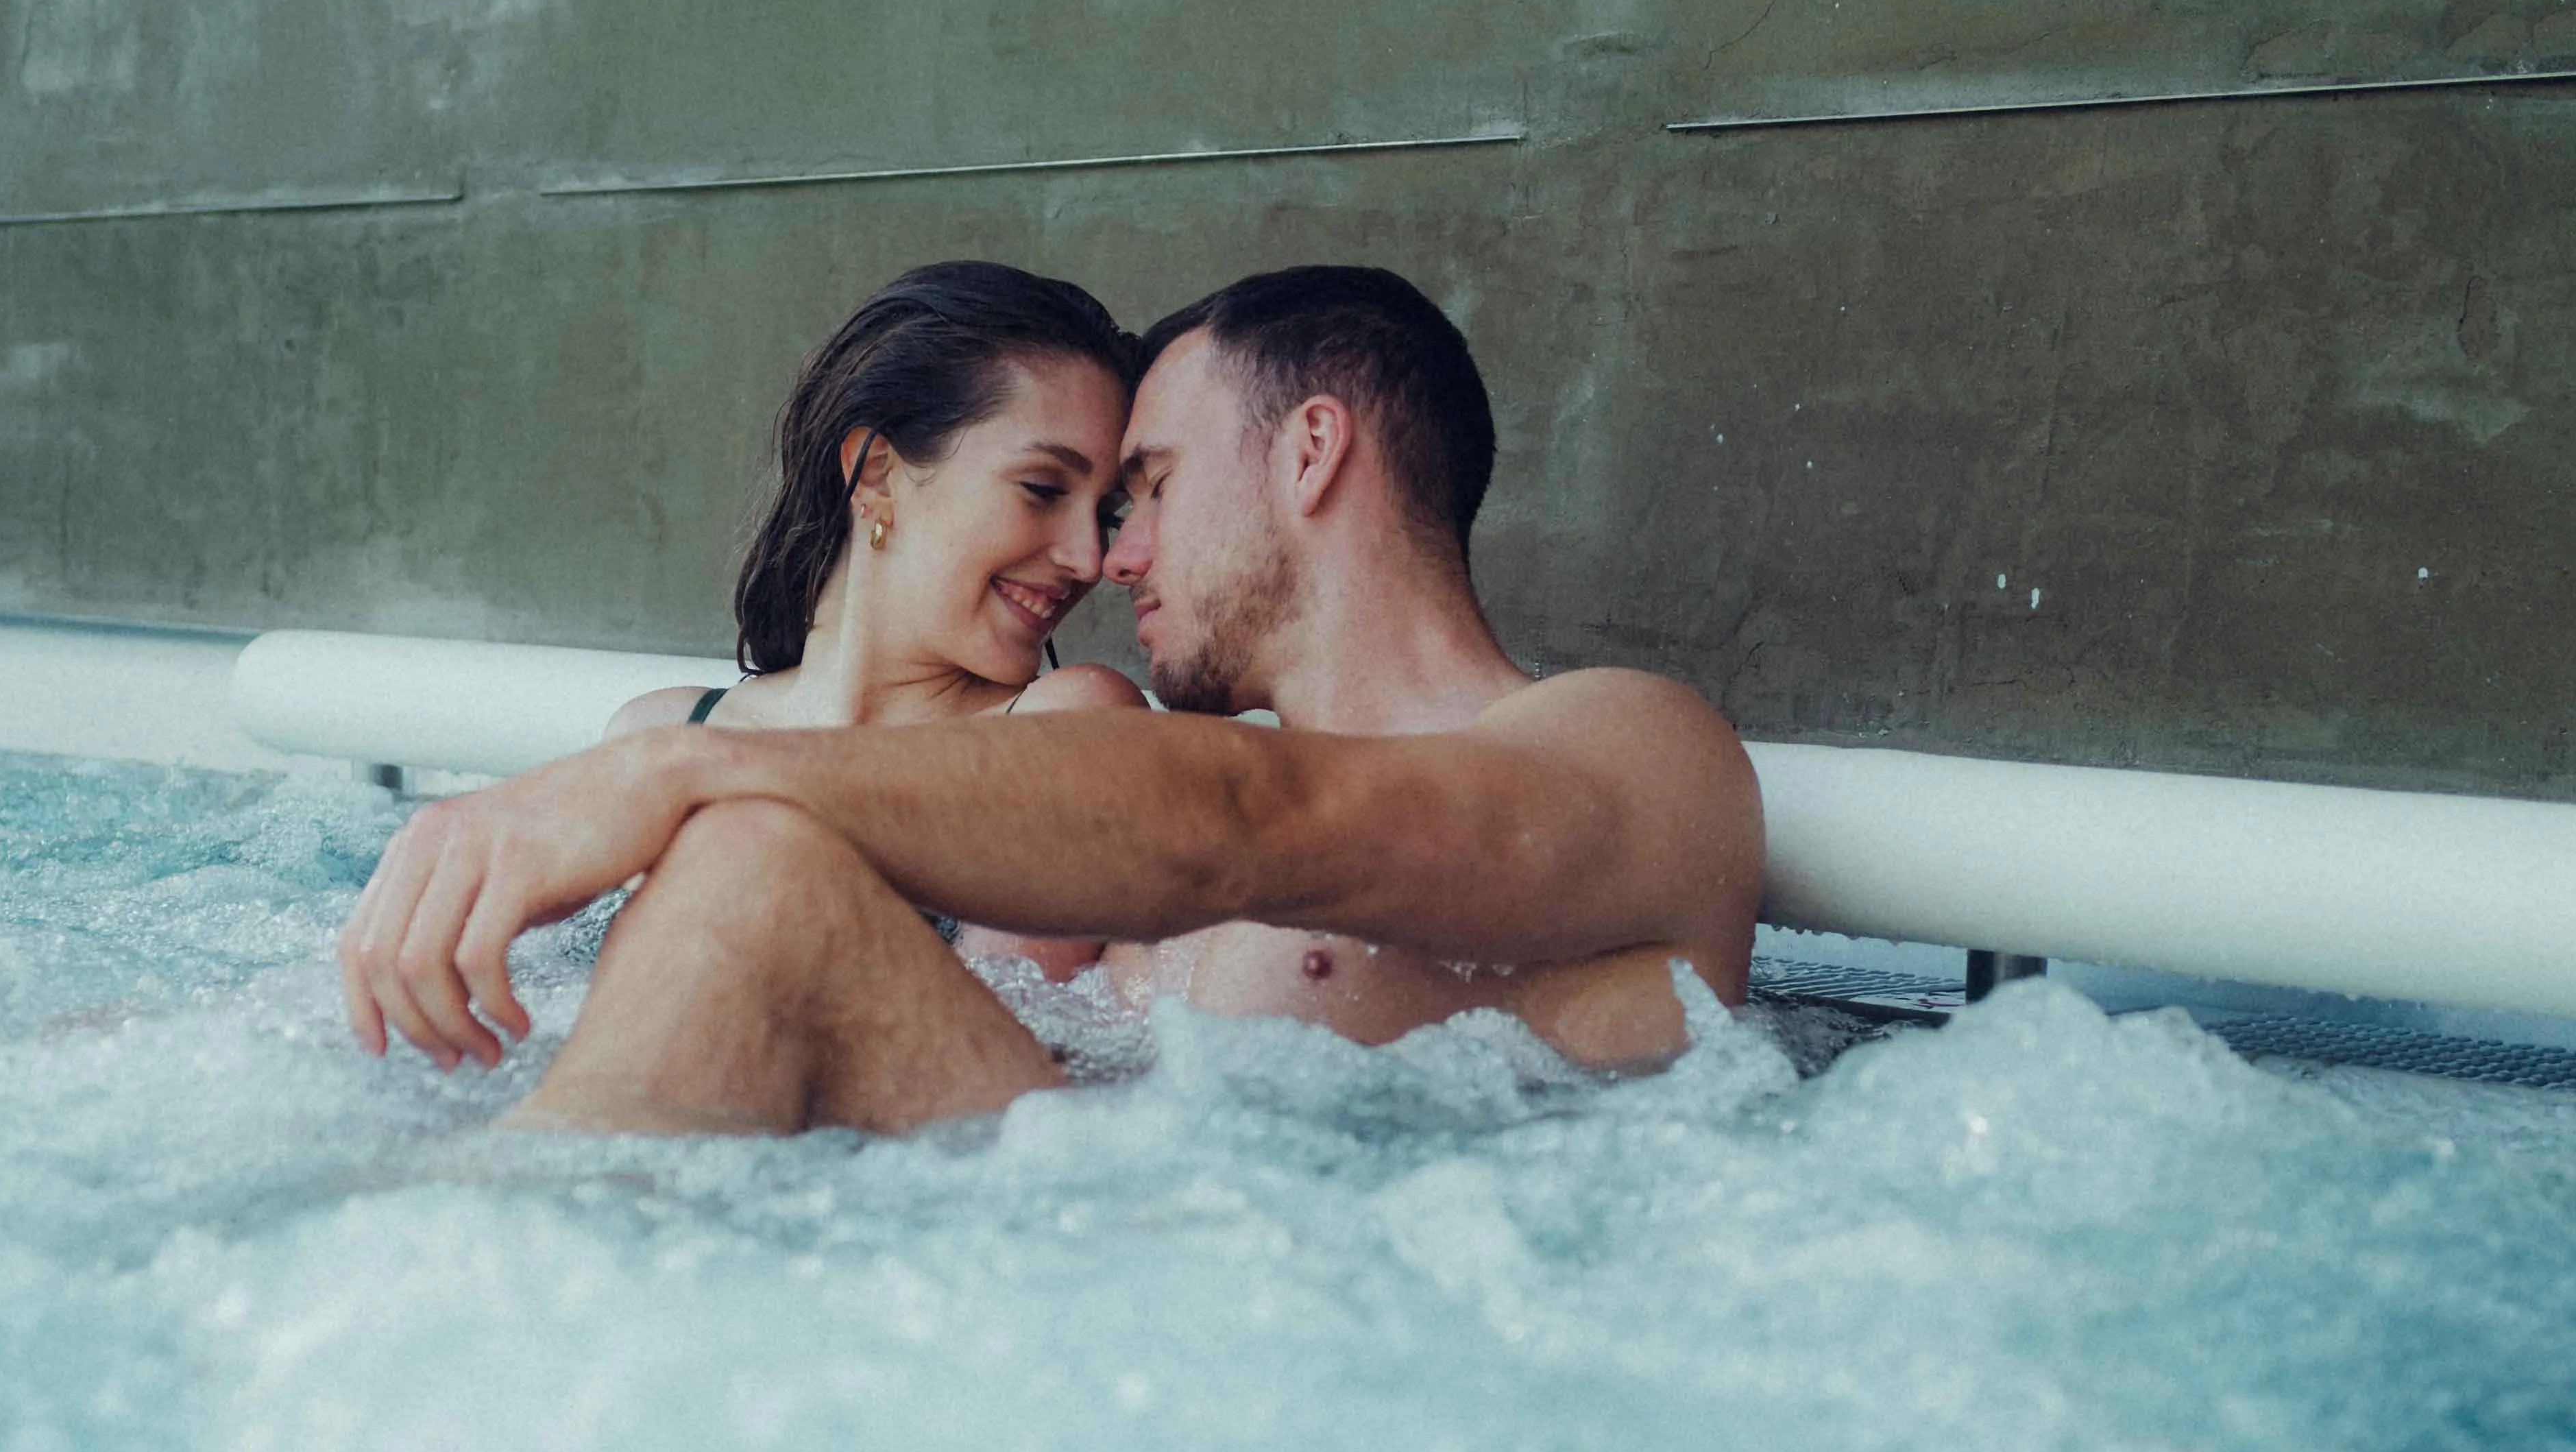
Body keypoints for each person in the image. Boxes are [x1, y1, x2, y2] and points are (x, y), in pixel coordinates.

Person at [339, 262, 1765, 1139]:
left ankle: (430, 1317)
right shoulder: (1158, 818)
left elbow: (1257, 822)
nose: (1108, 556)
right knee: (759, 875)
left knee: (757, 866)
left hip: (1328, 1325)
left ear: (1311, 450)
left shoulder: (1635, 749)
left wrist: (669, 778)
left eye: (1143, 487)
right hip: (1082, 1256)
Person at [596, 255, 1150, 982]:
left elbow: (996, 1047)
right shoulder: (663, 733)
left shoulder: (1071, 722)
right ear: (878, 474)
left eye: (1105, 515)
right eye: (1043, 489)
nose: (1089, 559)